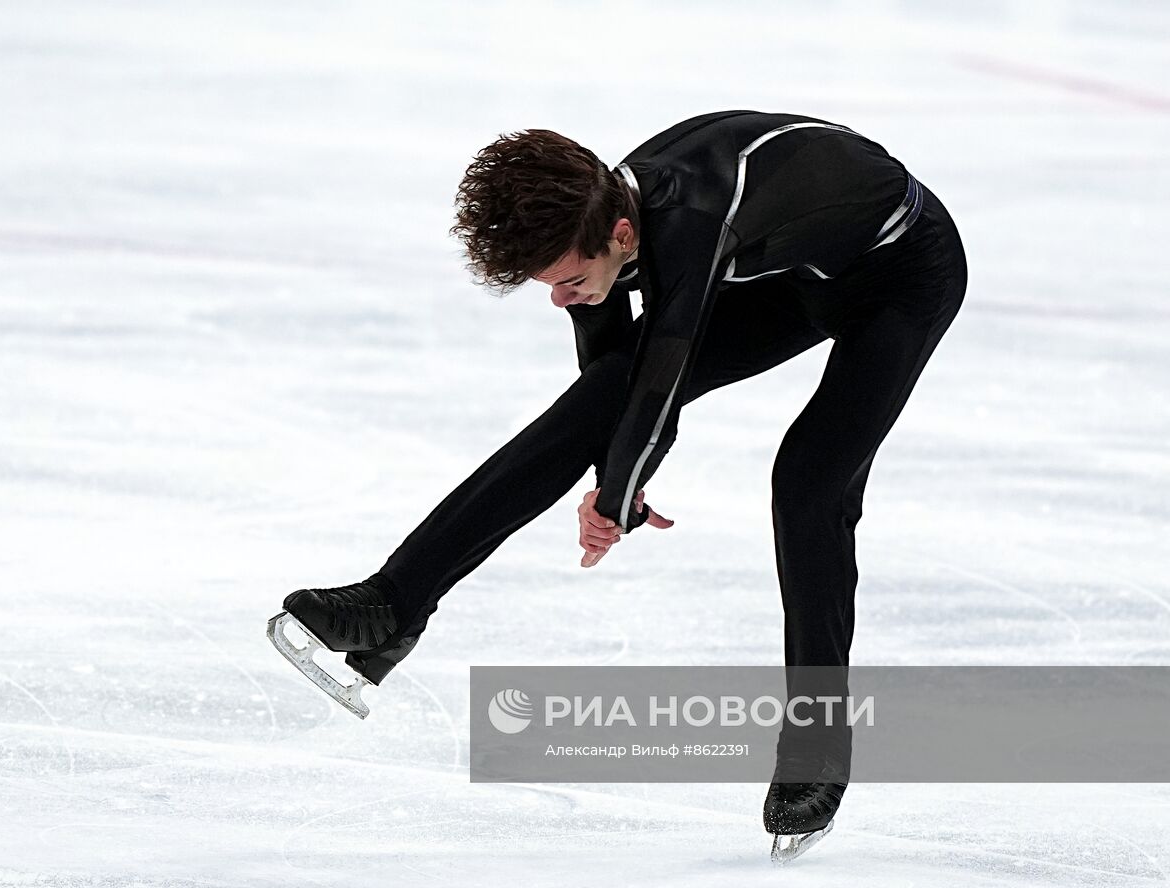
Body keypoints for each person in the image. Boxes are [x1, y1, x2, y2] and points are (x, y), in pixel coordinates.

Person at [271, 110, 967, 851]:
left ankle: (819, 749)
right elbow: (612, 377)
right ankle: (395, 601)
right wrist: (619, 477)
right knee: (598, 401)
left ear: (623, 238)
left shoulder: (692, 219)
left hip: (902, 274)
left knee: (810, 480)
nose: (561, 298)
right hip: (790, 273)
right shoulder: (600, 210)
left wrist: (617, 492)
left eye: (569, 280)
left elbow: (662, 378)